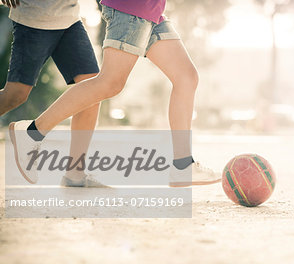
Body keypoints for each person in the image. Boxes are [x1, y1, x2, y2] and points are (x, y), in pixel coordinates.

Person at [8, 0, 221, 187]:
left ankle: (183, 165)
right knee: (110, 83)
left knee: (186, 77)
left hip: (151, 10)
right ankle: (32, 132)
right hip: (131, 9)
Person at [1, 0, 107, 187]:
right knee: (15, 95)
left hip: (70, 19)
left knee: (92, 87)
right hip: (33, 19)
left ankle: (75, 173)